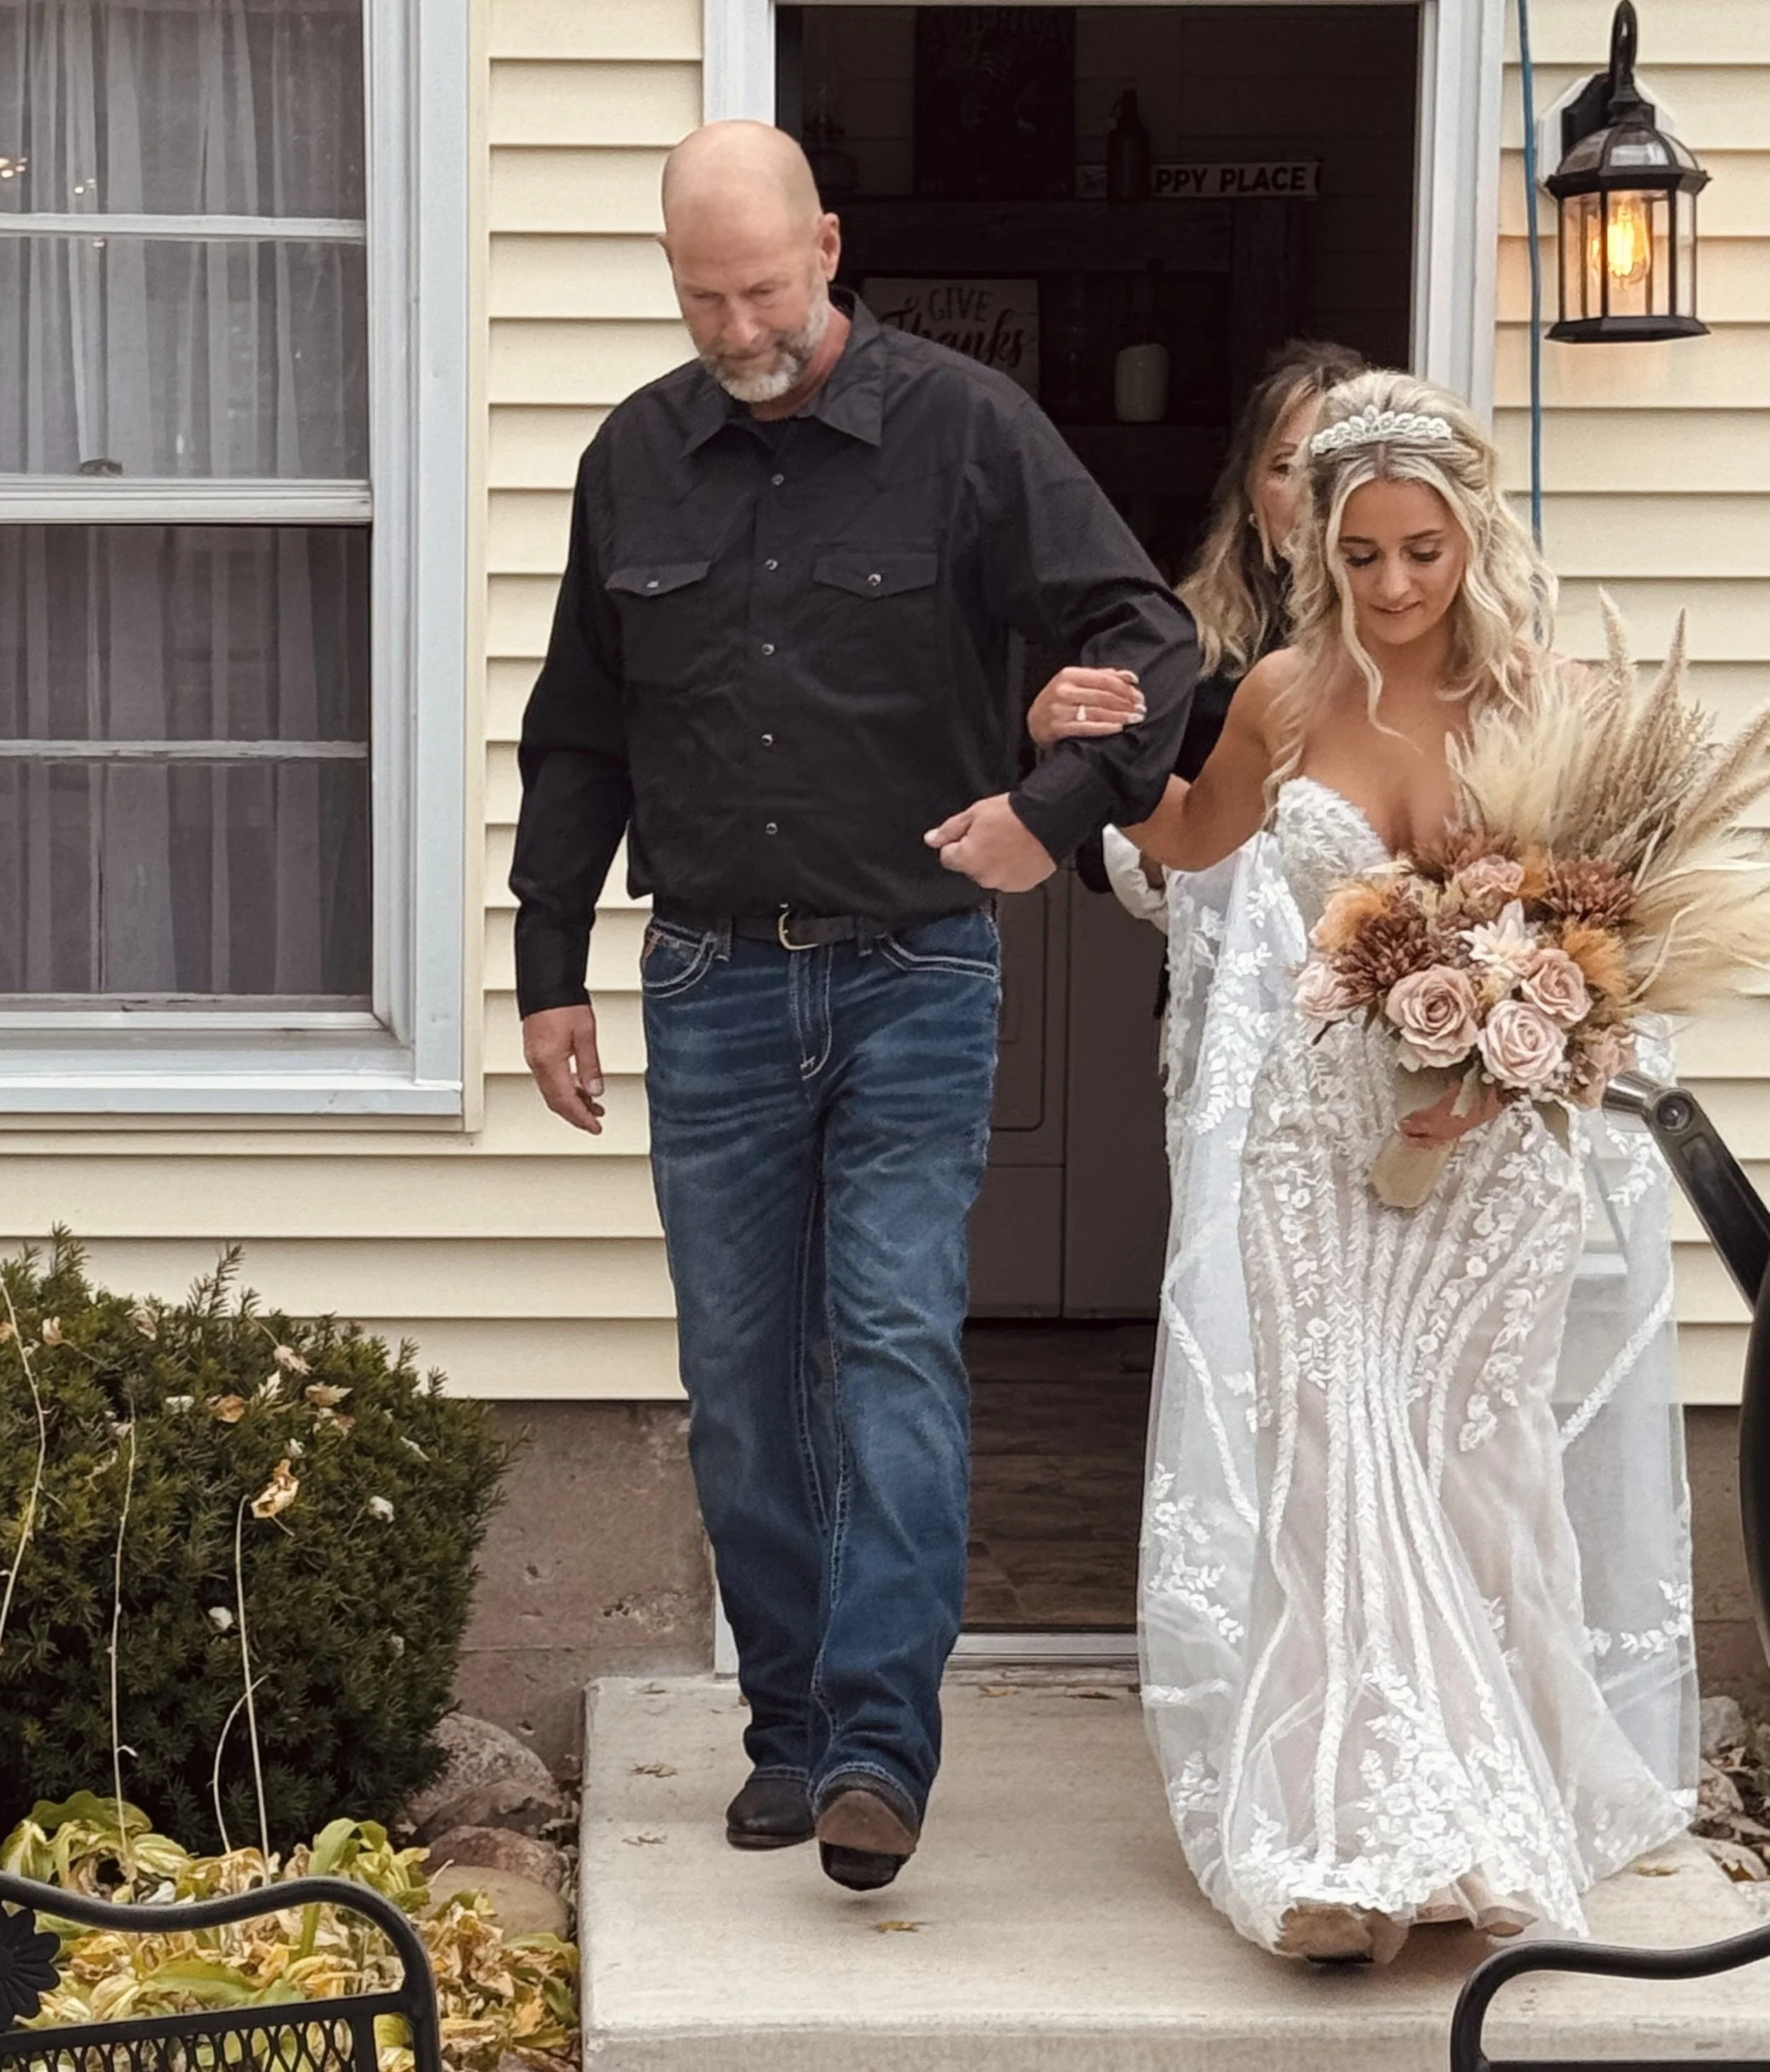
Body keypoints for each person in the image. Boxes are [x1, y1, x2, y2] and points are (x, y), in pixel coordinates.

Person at [510, 120, 1199, 1894]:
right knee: (744, 1381)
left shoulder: (967, 431)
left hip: (912, 972)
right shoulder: (630, 460)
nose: (737, 325)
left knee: (890, 1341)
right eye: (699, 294)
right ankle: (791, 1728)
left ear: (827, 243)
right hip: (711, 977)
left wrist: (1049, 824)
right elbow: (580, 733)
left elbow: (1156, 640)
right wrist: (545, 970)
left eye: (763, 285)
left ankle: (883, 1744)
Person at [1069, 368, 1696, 1960]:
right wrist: (1078, 741)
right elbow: (1194, 836)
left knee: (1470, 1476)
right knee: (1333, 1462)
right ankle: (1340, 1841)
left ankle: (1479, 1802)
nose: (1395, 585)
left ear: (1469, 540)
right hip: (1315, 1142)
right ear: (1320, 551)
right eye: (1363, 556)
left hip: (1491, 1162)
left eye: (1422, 551)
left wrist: (1502, 1068)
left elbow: (1603, 935)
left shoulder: (1548, 698)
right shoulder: (1283, 692)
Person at [1027, 339, 1366, 795]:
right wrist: (1062, 736)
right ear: (1251, 497)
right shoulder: (1186, 645)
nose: (1310, 490)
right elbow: (1113, 819)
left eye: (1332, 464)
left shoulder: (1432, 641)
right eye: (1285, 467)